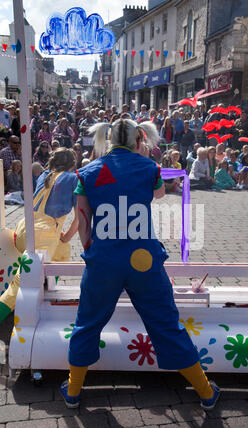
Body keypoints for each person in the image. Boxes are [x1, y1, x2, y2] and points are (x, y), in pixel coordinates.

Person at [60, 118, 220, 410]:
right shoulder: (150, 168)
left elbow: (83, 221)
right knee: (165, 322)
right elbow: (159, 194)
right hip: (143, 260)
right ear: (139, 139)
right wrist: (145, 159)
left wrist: (92, 253)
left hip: (104, 260)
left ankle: (73, 390)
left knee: (87, 323)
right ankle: (206, 392)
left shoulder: (87, 172)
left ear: (107, 139)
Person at [0, 148, 79, 322]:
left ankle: (44, 290)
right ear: (73, 164)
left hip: (24, 228)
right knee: (18, 286)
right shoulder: (73, 179)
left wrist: (63, 239)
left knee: (63, 250)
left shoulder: (45, 175)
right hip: (42, 236)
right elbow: (79, 218)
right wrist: (66, 235)